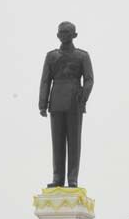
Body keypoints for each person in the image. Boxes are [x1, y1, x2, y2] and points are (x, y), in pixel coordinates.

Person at [39, 21, 93, 187]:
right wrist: (42, 103)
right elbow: (46, 81)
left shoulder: (82, 56)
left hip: (74, 102)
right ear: (57, 35)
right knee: (58, 142)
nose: (63, 35)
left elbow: (89, 79)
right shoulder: (51, 56)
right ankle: (57, 177)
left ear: (74, 35)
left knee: (74, 142)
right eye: (61, 32)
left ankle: (72, 178)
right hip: (55, 102)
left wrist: (82, 97)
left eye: (67, 32)